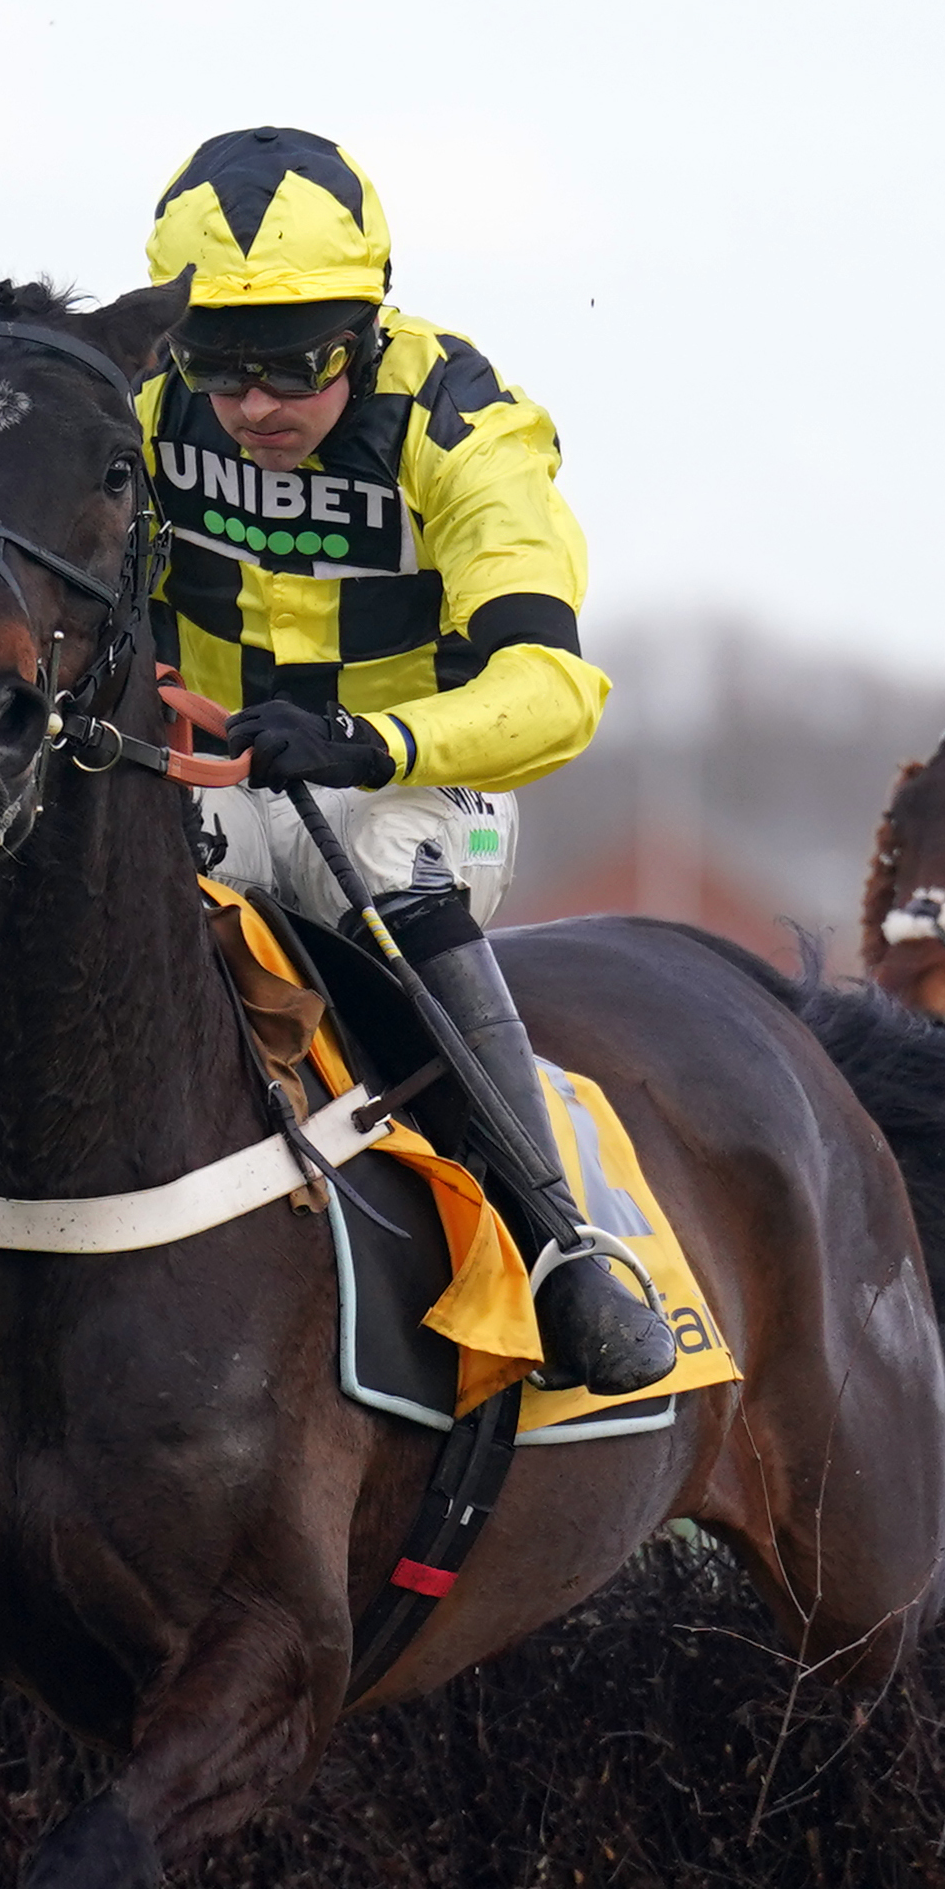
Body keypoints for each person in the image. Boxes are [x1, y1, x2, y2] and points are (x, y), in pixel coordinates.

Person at [137, 125, 673, 1398]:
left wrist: (370, 739)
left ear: (369, 323)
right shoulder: (146, 408)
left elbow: (555, 690)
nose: (255, 404)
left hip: (415, 779)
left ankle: (561, 1242)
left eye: (296, 365)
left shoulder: (467, 426)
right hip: (203, 772)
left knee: (375, 856)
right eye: (219, 367)